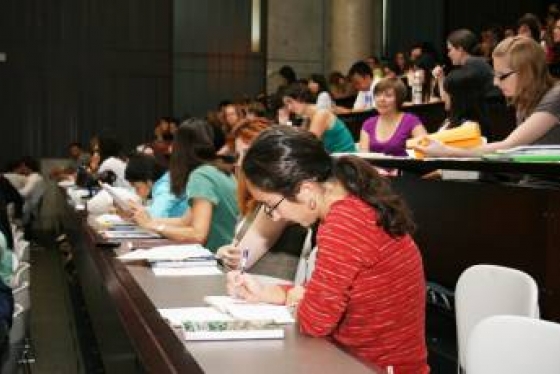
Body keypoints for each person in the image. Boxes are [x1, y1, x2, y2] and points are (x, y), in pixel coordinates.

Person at [227, 126, 428, 373]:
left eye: (271, 205)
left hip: (371, 367)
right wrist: (270, 292)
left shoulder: (344, 224)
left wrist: (301, 301)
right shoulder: (352, 205)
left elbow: (314, 321)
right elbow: (328, 293)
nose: (275, 217)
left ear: (307, 189)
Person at [416, 36, 560, 157]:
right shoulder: (524, 100)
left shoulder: (555, 97)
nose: (496, 82)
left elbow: (508, 146)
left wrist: (446, 151)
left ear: (526, 72)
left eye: (501, 76)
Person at [216, 119, 308, 280]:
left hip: (266, 291)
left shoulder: (278, 202)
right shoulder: (260, 200)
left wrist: (227, 257)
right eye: (239, 155)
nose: (240, 162)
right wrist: (224, 252)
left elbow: (240, 262)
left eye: (246, 153)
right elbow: (237, 251)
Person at [129, 118, 239, 252]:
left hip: (217, 260)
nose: (170, 149)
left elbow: (198, 235)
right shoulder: (220, 170)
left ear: (181, 148)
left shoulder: (201, 176)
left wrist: (153, 226)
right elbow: (184, 222)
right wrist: (145, 219)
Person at [359, 78, 427, 156]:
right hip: (373, 168)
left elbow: (427, 149)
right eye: (378, 95)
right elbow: (363, 159)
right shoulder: (368, 124)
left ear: (398, 99)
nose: (382, 99)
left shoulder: (411, 120)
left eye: (388, 95)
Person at [282, 83, 356, 153]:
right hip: (335, 158)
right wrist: (284, 126)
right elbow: (299, 142)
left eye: (290, 102)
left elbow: (308, 146)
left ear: (300, 97)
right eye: (286, 105)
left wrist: (284, 126)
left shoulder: (321, 114)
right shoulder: (308, 118)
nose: (289, 108)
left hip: (345, 160)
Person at [124, 153, 187, 218]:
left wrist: (138, 209)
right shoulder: (167, 180)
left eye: (137, 188)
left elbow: (156, 216)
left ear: (148, 182)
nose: (136, 192)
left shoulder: (164, 187)